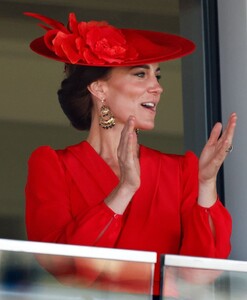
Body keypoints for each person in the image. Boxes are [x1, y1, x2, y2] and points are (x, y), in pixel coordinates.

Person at [24, 12, 237, 298]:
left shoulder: (183, 170)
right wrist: (125, 190)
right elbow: (67, 269)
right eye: (141, 73)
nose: (158, 87)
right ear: (99, 88)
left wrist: (207, 183)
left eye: (157, 75)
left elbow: (200, 274)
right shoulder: (52, 166)